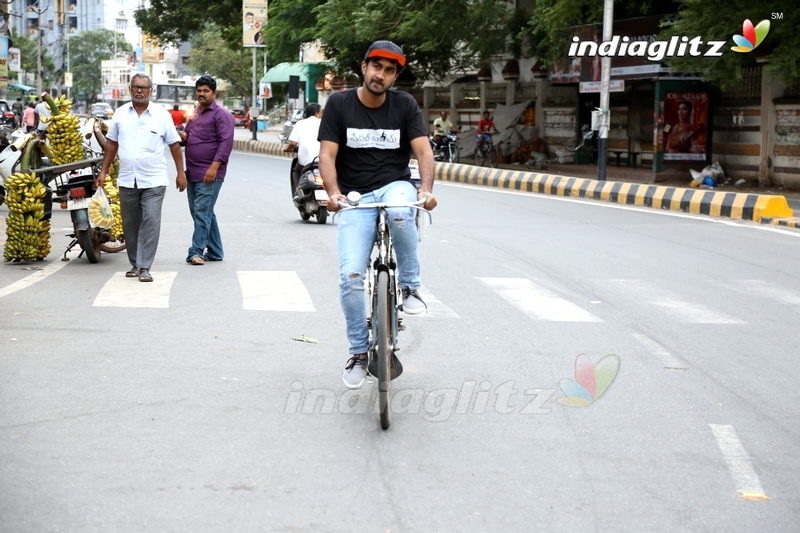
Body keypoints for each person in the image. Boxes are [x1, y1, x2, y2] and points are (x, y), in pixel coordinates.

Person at [318, 40, 437, 390]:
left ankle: (411, 287)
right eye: (376, 67)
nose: (380, 75)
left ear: (395, 76)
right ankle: (358, 352)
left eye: (389, 71)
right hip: (354, 195)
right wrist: (333, 193)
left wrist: (426, 190)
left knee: (402, 212)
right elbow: (327, 156)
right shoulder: (339, 103)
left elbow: (424, 154)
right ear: (363, 67)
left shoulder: (405, 105)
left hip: (393, 186)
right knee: (350, 275)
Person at [94, 73, 186, 283]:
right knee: (130, 224)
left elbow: (174, 144)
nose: (139, 91)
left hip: (154, 179)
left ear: (150, 91)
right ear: (130, 89)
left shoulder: (162, 115)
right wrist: (103, 172)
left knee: (150, 221)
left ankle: (145, 266)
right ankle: (135, 263)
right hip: (127, 179)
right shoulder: (120, 113)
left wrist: (181, 173)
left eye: (143, 88)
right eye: (135, 87)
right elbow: (111, 144)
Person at [177, 75, 234, 266]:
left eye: (206, 91)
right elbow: (190, 137)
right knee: (201, 212)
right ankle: (216, 251)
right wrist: (183, 137)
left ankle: (196, 251)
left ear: (214, 93)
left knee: (202, 211)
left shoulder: (221, 115)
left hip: (210, 173)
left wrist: (214, 168)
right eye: (199, 90)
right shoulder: (196, 113)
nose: (201, 94)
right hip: (193, 171)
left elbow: (226, 144)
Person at [284, 103, 323, 195]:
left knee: (296, 171)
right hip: (324, 160)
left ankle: (298, 189)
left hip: (306, 163)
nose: (322, 114)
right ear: (316, 113)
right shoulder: (325, 123)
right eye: (321, 112)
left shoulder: (300, 123)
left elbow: (293, 143)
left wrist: (288, 149)